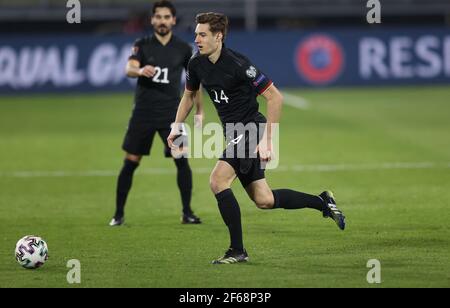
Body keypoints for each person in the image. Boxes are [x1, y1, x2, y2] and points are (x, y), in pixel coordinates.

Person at [168, 12, 346, 264]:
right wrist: (176, 126)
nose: (196, 38)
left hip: (251, 129)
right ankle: (322, 202)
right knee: (264, 199)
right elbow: (188, 95)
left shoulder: (239, 64)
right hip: (234, 133)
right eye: (196, 33)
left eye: (202, 34)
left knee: (218, 181)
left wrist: (267, 140)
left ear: (218, 36)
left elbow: (275, 96)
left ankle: (237, 250)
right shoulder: (196, 64)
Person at [110, 0, 203, 226]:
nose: (162, 21)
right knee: (131, 161)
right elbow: (129, 69)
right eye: (158, 17)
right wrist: (140, 70)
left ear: (173, 20)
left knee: (181, 161)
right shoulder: (141, 44)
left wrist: (199, 111)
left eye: (166, 17)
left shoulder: (183, 48)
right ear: (152, 20)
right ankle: (118, 214)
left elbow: (194, 83)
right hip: (143, 112)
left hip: (172, 114)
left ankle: (187, 212)